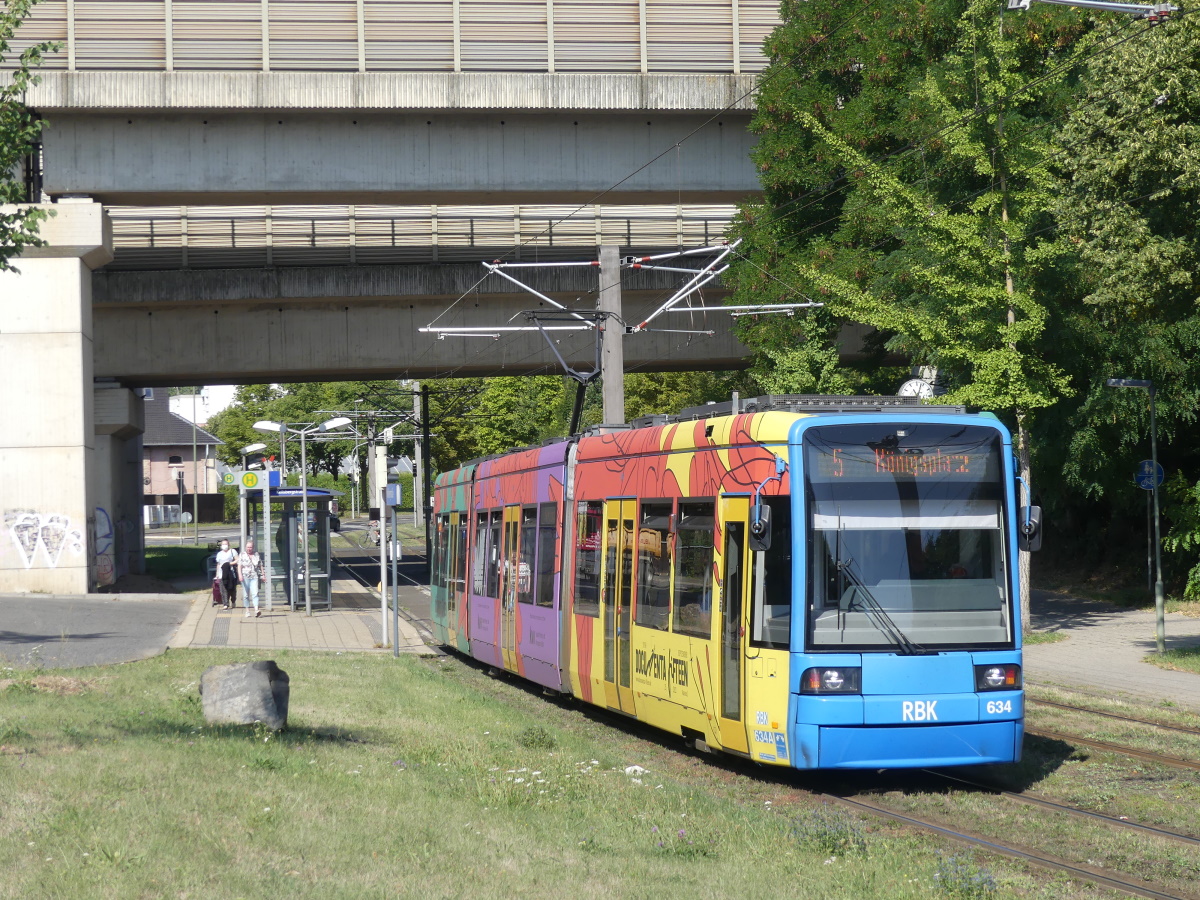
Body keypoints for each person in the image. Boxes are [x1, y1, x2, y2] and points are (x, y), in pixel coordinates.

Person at [237, 539, 265, 618]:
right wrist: (240, 575)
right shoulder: (242, 554)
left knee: (255, 593)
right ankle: (247, 611)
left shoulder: (256, 554)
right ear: (245, 547)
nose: (249, 549)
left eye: (250, 547)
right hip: (245, 577)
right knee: (246, 595)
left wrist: (263, 575)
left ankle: (256, 610)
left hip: (254, 576)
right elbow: (239, 566)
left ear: (253, 547)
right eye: (248, 547)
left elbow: (260, 565)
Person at [214, 539, 238, 609]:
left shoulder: (232, 551)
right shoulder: (219, 554)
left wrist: (229, 564)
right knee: (223, 589)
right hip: (222, 574)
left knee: (232, 588)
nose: (224, 545)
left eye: (226, 544)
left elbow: (237, 559)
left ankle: (233, 601)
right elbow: (218, 564)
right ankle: (225, 604)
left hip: (231, 573)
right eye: (223, 544)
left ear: (228, 544)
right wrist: (217, 574)